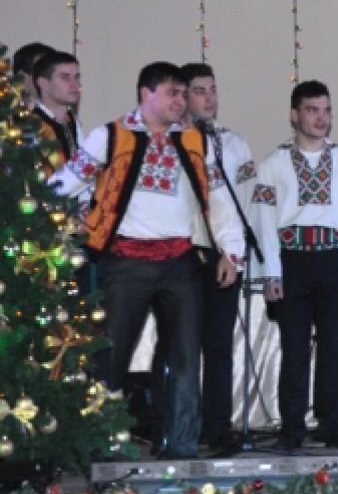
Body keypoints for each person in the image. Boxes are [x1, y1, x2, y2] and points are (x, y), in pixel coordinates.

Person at [49, 61, 244, 458]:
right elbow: (65, 183)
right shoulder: (110, 136)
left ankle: (181, 445)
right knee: (111, 356)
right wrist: (45, 218)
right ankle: (102, 445)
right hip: (126, 261)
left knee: (185, 357)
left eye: (183, 94)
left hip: (181, 261)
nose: (181, 101)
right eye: (172, 93)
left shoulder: (194, 140)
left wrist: (231, 250)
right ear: (146, 94)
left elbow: (219, 198)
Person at [251, 81, 338, 450]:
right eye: (312, 110)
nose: (321, 118)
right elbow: (263, 222)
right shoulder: (273, 164)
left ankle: (332, 425)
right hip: (291, 260)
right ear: (294, 115)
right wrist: (270, 273)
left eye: (326, 110)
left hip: (333, 259)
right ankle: (292, 429)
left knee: (334, 346)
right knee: (294, 347)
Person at [181, 62, 258, 453]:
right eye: (199, 91)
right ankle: (181, 427)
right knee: (182, 346)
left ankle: (218, 426)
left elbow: (242, 201)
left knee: (218, 345)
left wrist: (236, 252)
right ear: (182, 97)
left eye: (212, 90)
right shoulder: (174, 141)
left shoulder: (233, 144)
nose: (209, 98)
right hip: (182, 253)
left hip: (223, 255)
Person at [29, 49, 81, 174]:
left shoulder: (73, 122)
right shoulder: (32, 126)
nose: (74, 84)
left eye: (76, 77)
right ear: (43, 83)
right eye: (65, 77)